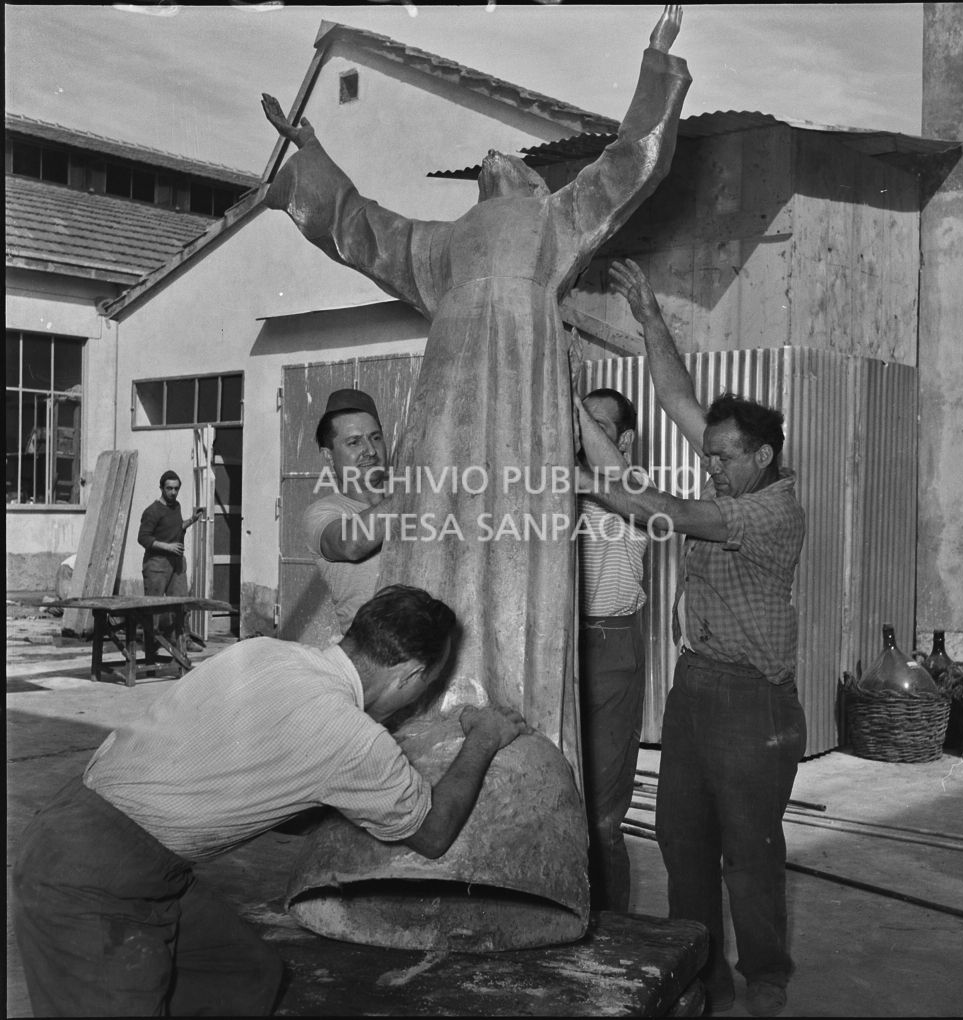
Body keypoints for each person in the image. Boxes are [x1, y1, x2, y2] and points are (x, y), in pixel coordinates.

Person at [260, 6, 690, 764]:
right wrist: (311, 160)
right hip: (451, 420)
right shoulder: (445, 245)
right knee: (445, 554)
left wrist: (655, 65)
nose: (497, 157)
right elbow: (362, 228)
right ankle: (438, 716)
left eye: (513, 162)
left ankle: (506, 721)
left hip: (522, 412)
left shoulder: (553, 220)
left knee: (509, 550)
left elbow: (629, 164)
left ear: (528, 183)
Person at [12, 585, 529, 1017]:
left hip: (87, 826)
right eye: (424, 687)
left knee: (242, 977)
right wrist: (483, 737)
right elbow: (434, 833)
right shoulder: (354, 739)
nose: (415, 702)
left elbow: (250, 782)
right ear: (411, 674)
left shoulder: (259, 651)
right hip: (90, 878)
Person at [576, 258, 807, 1018]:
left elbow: (666, 514)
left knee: (750, 852)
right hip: (695, 687)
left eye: (722, 457)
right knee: (682, 844)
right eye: (708, 455)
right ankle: (699, 975)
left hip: (755, 704)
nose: (710, 466)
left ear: (763, 458)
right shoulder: (733, 473)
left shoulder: (772, 510)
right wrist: (648, 317)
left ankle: (765, 977)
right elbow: (676, 396)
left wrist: (597, 472)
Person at [575, 387, 650, 912]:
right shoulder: (568, 482)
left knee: (601, 817)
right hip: (561, 641)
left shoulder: (638, 487)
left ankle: (613, 932)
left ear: (622, 439)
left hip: (610, 646)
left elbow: (615, 478)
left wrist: (572, 404)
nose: (581, 436)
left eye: (596, 427)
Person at [305, 387, 396, 638]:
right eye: (354, 442)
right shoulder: (323, 513)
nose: (370, 450)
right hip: (371, 658)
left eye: (375, 437)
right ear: (328, 456)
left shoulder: (408, 497)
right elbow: (351, 544)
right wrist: (413, 495)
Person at [137, 469, 203, 599]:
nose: (173, 492)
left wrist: (191, 520)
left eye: (176, 489)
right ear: (161, 488)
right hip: (157, 564)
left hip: (177, 563)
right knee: (153, 607)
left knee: (180, 606)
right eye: (169, 488)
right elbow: (143, 538)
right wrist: (168, 546)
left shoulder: (176, 506)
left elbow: (176, 528)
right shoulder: (152, 511)